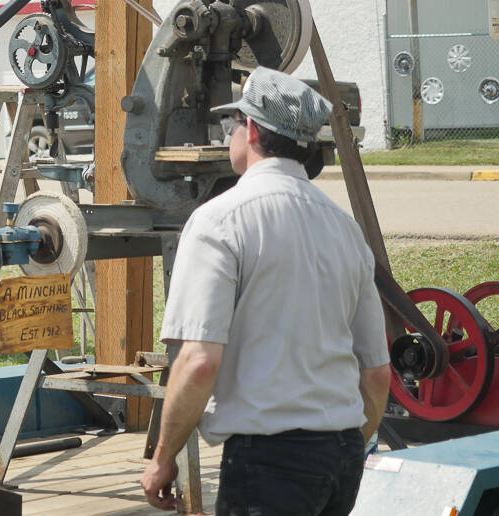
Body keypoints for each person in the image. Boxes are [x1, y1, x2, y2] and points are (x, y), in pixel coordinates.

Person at [140, 66, 391, 515]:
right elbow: (375, 374)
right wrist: (347, 443)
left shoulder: (220, 220)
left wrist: (162, 459)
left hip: (270, 464)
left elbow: (198, 362)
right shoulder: (346, 230)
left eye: (232, 122)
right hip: (343, 457)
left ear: (251, 128)